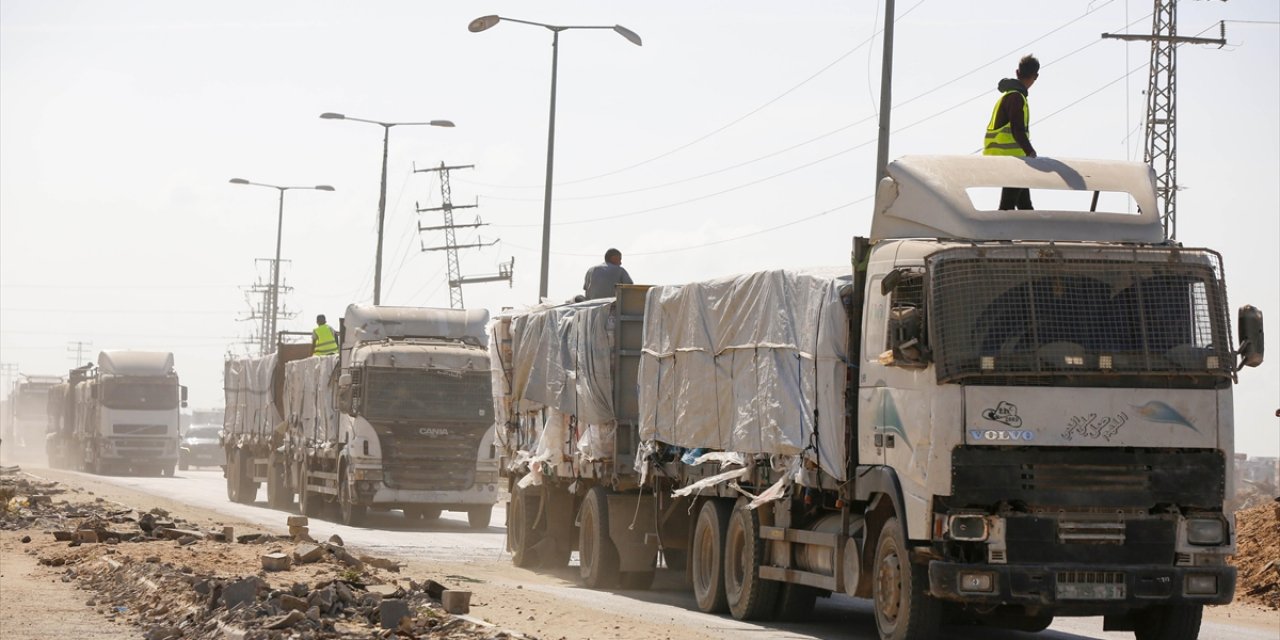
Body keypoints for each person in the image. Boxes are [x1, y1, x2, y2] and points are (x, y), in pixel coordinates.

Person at [983, 54, 1040, 210]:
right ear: (1035, 76)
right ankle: (1000, 235)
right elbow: (1017, 130)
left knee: (1024, 205)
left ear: (1017, 72)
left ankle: (1030, 234)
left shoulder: (1008, 95)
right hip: (1013, 160)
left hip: (1008, 159)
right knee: (1008, 206)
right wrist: (1030, 152)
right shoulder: (1017, 97)